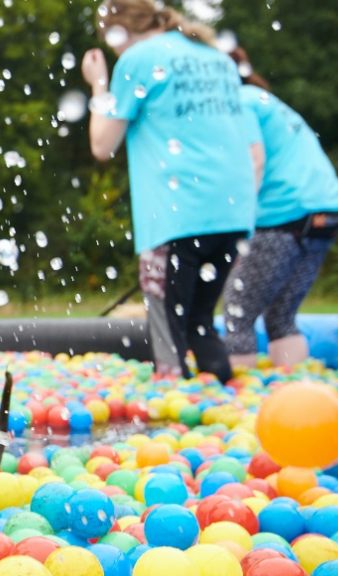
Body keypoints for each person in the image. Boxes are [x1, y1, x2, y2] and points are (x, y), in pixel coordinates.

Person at [82, 0, 256, 383]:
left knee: (168, 334)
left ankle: (172, 414)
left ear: (120, 30)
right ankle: (225, 405)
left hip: (177, 213)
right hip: (232, 211)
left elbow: (101, 145)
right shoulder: (216, 58)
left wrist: (98, 84)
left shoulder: (138, 59)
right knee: (200, 321)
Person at [222, 47, 338, 369]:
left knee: (238, 313)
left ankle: (238, 408)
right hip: (326, 213)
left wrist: (237, 220)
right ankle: (294, 398)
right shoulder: (267, 101)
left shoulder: (238, 102)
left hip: (286, 214)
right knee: (281, 315)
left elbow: (255, 160)